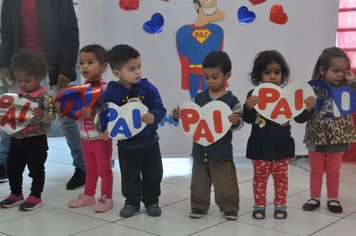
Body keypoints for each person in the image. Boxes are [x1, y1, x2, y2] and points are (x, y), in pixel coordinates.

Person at [0, 0, 85, 190]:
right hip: (21, 66)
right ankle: (3, 164)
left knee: (65, 117)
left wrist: (66, 67)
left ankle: (82, 168)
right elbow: (6, 31)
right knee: (12, 115)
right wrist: (4, 64)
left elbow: (71, 31)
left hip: (54, 64)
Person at [243, 50, 315, 220]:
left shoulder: (289, 94)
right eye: (267, 72)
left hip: (282, 146)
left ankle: (280, 204)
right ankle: (259, 204)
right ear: (259, 75)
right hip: (259, 146)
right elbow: (248, 119)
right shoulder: (254, 95)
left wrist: (308, 108)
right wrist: (248, 107)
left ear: (283, 74)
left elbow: (299, 118)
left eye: (277, 72)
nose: (273, 76)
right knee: (259, 179)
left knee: (281, 179)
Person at [172, 51, 243, 220]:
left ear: (227, 76)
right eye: (206, 77)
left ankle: (229, 207)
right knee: (199, 182)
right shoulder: (199, 98)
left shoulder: (232, 101)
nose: (210, 81)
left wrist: (234, 121)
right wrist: (178, 116)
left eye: (215, 77)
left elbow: (239, 124)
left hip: (221, 151)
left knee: (225, 182)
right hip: (199, 150)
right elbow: (190, 120)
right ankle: (198, 206)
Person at [102, 44, 166, 217]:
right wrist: (103, 129)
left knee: (154, 173)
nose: (138, 72)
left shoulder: (147, 88)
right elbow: (105, 114)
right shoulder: (111, 92)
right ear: (117, 73)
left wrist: (154, 115)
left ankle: (152, 200)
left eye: (139, 66)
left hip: (149, 142)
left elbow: (160, 108)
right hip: (127, 145)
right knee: (129, 175)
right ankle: (131, 202)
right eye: (132, 69)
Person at [302, 47, 356, 214]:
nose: (340, 74)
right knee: (316, 170)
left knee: (333, 171)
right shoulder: (313, 89)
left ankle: (333, 198)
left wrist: (352, 81)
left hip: (338, 138)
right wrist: (308, 108)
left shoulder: (348, 89)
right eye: (335, 70)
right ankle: (315, 197)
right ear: (322, 70)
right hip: (315, 137)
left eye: (343, 70)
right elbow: (302, 115)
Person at [0, 50, 55, 211]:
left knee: (36, 169)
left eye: (27, 81)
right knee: (13, 167)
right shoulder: (17, 95)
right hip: (17, 139)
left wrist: (42, 114)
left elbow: (51, 117)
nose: (22, 84)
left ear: (39, 78)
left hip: (36, 140)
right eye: (19, 80)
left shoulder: (45, 97)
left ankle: (35, 196)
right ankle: (16, 193)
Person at [67, 44, 113, 212]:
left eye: (90, 62)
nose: (84, 66)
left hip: (100, 138)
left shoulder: (106, 88)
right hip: (84, 137)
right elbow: (76, 110)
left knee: (104, 169)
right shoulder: (81, 88)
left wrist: (94, 114)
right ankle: (88, 196)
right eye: (81, 62)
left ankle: (106, 197)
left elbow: (111, 113)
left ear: (103, 67)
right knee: (90, 168)